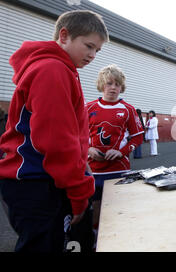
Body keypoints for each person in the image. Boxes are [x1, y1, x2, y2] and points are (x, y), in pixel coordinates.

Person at [0, 10, 108, 252]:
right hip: (36, 182)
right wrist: (80, 192)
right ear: (64, 35)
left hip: (42, 179)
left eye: (97, 51)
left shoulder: (64, 70)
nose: (92, 55)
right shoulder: (52, 70)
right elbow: (56, 140)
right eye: (88, 46)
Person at [86, 64, 144, 239]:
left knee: (118, 208)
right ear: (101, 84)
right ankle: (96, 240)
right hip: (92, 170)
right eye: (109, 83)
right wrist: (87, 148)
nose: (113, 87)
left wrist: (122, 151)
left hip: (119, 169)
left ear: (122, 87)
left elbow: (137, 137)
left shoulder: (128, 109)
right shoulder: (87, 107)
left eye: (117, 84)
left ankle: (118, 240)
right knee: (95, 207)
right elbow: (75, 135)